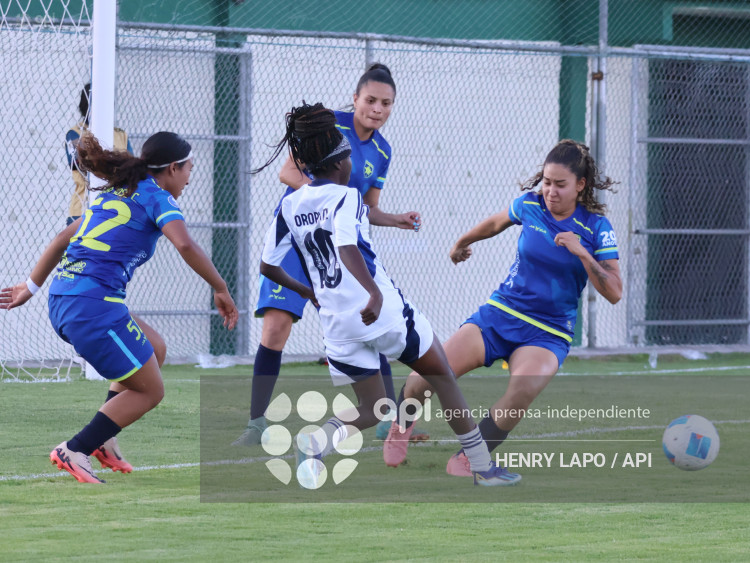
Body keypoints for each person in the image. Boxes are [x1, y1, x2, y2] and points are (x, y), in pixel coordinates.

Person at [258, 102, 520, 487]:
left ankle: (315, 442)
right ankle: (483, 468)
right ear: (337, 164)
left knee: (373, 407)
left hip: (337, 324)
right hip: (379, 311)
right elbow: (347, 246)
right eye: (348, 156)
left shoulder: (290, 205)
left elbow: (268, 266)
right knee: (442, 376)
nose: (352, 164)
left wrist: (309, 292)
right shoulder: (346, 196)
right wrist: (372, 294)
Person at [0, 131, 238, 483]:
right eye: (189, 167)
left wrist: (31, 287)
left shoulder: (119, 191)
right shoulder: (157, 198)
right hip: (93, 306)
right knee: (152, 390)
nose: (190, 176)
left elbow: (65, 236)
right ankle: (77, 447)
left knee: (154, 347)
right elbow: (185, 245)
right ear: (172, 168)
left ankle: (105, 440)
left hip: (67, 297)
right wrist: (221, 288)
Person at [383, 139, 623, 474]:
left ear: (580, 186)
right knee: (432, 373)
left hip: (549, 330)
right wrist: (462, 243)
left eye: (560, 185)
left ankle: (469, 457)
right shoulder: (530, 204)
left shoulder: (597, 228)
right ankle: (401, 422)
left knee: (522, 391)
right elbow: (496, 222)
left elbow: (614, 291)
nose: (550, 191)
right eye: (547, 182)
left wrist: (582, 253)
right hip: (502, 313)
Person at [233, 63, 428, 445]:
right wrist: (320, 197)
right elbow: (288, 173)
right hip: (299, 239)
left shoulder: (382, 152)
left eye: (386, 103)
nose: (377, 108)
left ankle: (387, 423)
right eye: (370, 100)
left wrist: (396, 218)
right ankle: (256, 424)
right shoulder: (328, 125)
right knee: (275, 329)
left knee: (372, 325)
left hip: (342, 250)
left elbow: (367, 207)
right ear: (355, 99)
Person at [65, 82, 134, 226]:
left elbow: (132, 169)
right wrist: (118, 162)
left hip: (118, 207)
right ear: (87, 104)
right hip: (83, 209)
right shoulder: (75, 133)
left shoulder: (120, 135)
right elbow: (84, 166)